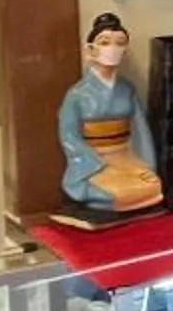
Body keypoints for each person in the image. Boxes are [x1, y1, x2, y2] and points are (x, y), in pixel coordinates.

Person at [57, 12, 162, 214]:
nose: (112, 49)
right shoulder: (77, 94)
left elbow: (141, 131)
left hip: (126, 157)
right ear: (91, 50)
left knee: (151, 185)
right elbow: (69, 136)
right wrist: (95, 164)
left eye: (119, 43)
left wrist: (146, 165)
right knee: (110, 191)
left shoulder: (127, 89)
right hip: (94, 159)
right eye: (104, 43)